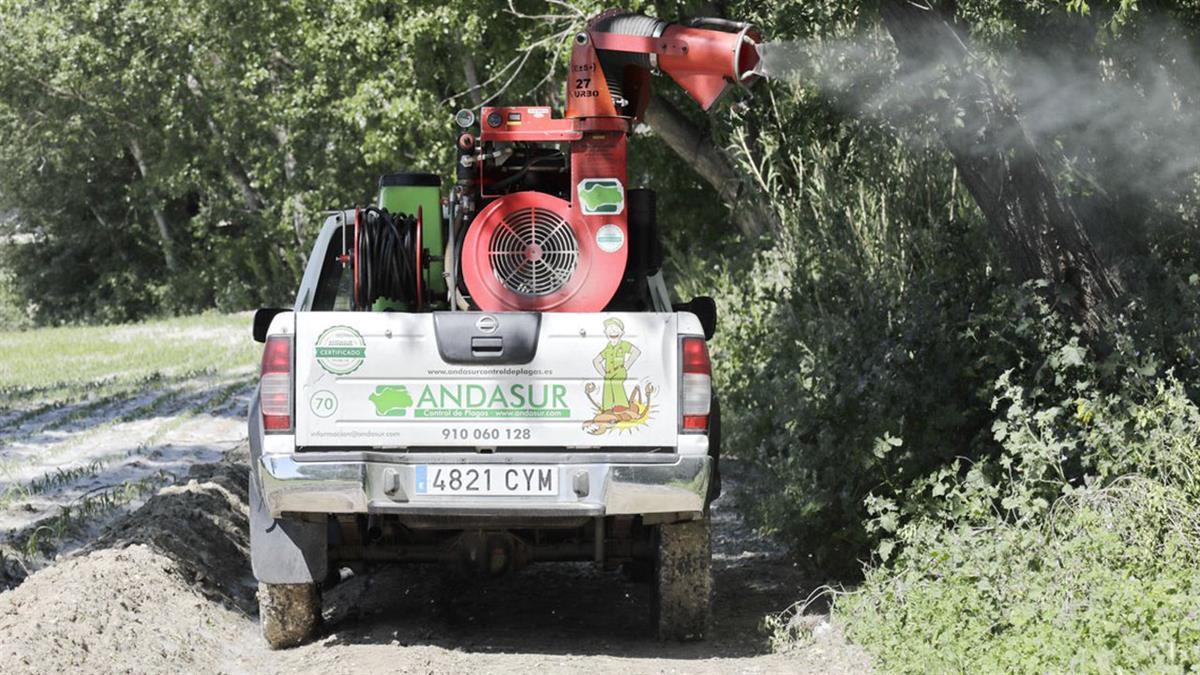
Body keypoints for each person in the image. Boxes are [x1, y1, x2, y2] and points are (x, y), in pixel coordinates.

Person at [593, 317, 641, 411]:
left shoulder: (623, 344)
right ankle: (607, 408)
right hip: (609, 373)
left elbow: (636, 351)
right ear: (605, 333)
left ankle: (621, 406)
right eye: (610, 330)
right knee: (607, 386)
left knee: (616, 384)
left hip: (619, 371)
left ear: (622, 333)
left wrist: (627, 365)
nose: (612, 332)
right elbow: (596, 360)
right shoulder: (608, 347)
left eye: (615, 329)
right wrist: (603, 373)